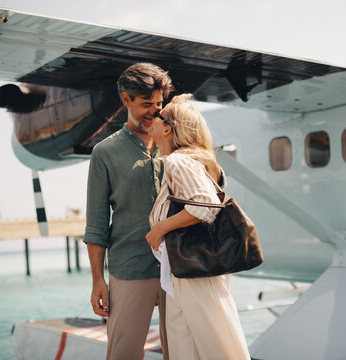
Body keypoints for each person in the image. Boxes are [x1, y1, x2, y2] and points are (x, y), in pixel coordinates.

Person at [146, 94, 251, 359]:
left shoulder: (178, 161)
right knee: (189, 342)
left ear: (168, 128)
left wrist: (159, 229)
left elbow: (204, 205)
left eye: (160, 115)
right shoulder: (190, 159)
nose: (153, 115)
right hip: (186, 267)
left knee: (216, 343)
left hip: (193, 267)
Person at [83, 62, 173, 360]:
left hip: (179, 267)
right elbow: (96, 224)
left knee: (181, 350)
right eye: (147, 104)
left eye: (159, 104)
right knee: (124, 354)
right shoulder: (104, 153)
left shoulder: (174, 142)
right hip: (130, 269)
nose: (155, 111)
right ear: (126, 100)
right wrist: (98, 280)